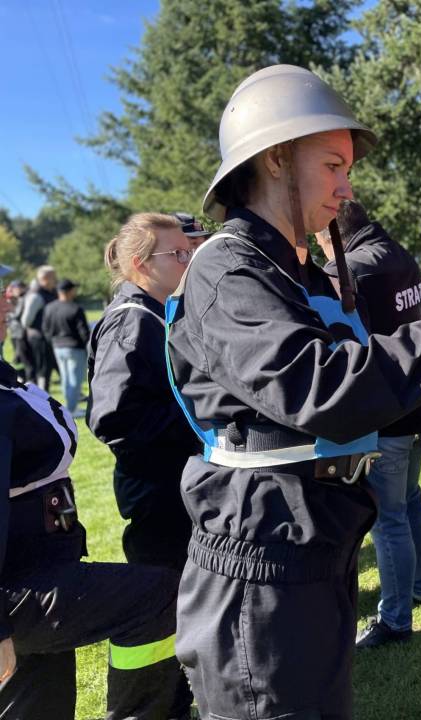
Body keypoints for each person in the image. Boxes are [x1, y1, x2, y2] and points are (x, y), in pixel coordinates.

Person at [165, 64, 421, 720]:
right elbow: (324, 390)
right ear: (277, 159)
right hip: (259, 566)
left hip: (317, 547)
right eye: (333, 166)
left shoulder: (302, 276)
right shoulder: (227, 270)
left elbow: (389, 400)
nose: (347, 188)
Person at [0, 293, 184, 720]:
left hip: (38, 565)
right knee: (157, 595)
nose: (8, 300)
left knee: (40, 702)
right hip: (19, 584)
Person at [87, 213, 198, 718]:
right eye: (176, 254)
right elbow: (113, 418)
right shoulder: (132, 319)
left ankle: (176, 700)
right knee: (159, 610)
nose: (187, 260)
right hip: (158, 494)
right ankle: (152, 707)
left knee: (181, 603)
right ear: (139, 264)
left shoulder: (157, 311)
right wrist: (195, 413)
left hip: (173, 487)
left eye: (188, 251)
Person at [313, 200, 421, 650]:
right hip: (418, 400)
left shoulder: (349, 270)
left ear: (332, 234)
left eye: (320, 238)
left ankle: (396, 619)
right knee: (410, 499)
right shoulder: (402, 257)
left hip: (384, 408)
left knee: (389, 518)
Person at [41, 278, 89, 417]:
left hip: (58, 347)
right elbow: (84, 332)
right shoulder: (76, 308)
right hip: (75, 347)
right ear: (70, 291)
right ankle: (72, 409)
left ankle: (70, 407)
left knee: (66, 379)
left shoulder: (49, 307)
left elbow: (46, 329)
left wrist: (53, 341)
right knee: (75, 380)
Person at [19, 266, 57, 390]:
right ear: (45, 279)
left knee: (47, 368)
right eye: (53, 277)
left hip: (46, 337)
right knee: (42, 370)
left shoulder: (49, 292)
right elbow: (26, 321)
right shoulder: (36, 295)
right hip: (38, 338)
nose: (56, 280)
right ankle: (41, 395)